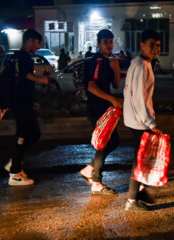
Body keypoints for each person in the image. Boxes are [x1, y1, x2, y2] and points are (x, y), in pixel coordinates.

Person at [4, 29, 51, 186]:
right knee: (22, 135)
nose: (38, 47)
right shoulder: (23, 56)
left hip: (24, 102)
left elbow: (24, 80)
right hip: (20, 103)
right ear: (30, 40)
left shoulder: (23, 57)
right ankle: (15, 174)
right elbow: (26, 75)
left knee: (34, 133)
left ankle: (14, 161)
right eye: (37, 43)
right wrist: (41, 79)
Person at [79, 29, 122, 194]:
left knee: (113, 141)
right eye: (105, 42)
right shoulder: (95, 61)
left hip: (106, 110)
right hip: (96, 108)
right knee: (106, 142)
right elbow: (91, 86)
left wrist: (116, 68)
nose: (109, 45)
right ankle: (96, 181)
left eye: (111, 41)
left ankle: (89, 170)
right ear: (98, 44)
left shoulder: (109, 61)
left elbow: (116, 85)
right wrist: (111, 99)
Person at [123, 29, 162, 211]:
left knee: (143, 158)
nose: (155, 48)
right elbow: (139, 98)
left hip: (136, 119)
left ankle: (141, 190)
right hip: (139, 121)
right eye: (151, 44)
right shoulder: (141, 66)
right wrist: (151, 123)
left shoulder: (140, 63)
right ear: (142, 45)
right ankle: (131, 201)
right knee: (139, 161)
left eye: (158, 45)